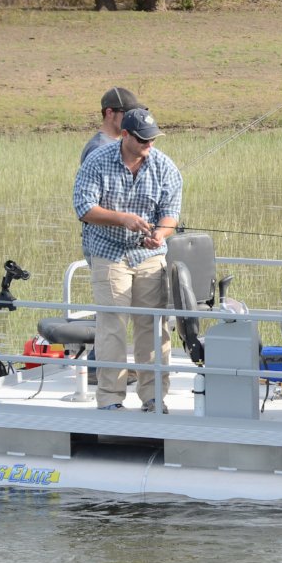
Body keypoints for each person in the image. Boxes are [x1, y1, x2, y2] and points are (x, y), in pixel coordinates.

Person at [74, 107, 182, 411]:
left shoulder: (164, 166)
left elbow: (171, 214)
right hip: (109, 254)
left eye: (153, 139)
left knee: (153, 326)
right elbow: (84, 209)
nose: (150, 145)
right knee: (112, 326)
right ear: (125, 135)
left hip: (149, 255)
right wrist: (122, 219)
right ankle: (110, 399)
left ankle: (153, 397)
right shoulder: (97, 161)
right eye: (143, 139)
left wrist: (160, 234)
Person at [80, 87, 143, 164]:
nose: (132, 118)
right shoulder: (99, 147)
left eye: (134, 113)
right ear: (109, 113)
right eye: (127, 113)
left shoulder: (112, 143)